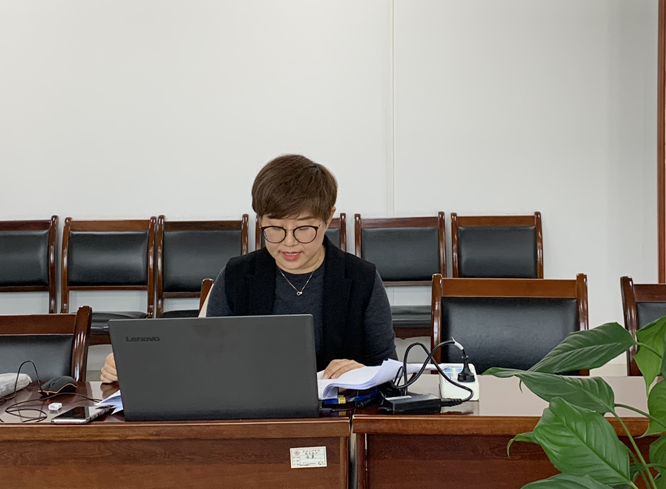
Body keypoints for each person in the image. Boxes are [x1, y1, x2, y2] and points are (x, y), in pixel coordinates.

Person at [100, 154, 396, 383]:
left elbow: (389, 371)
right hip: (253, 416)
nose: (289, 243)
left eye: (304, 229)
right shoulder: (238, 276)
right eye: (274, 228)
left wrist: (364, 373)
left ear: (328, 218)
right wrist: (132, 365)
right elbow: (202, 357)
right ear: (260, 220)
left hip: (337, 421)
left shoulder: (361, 279)